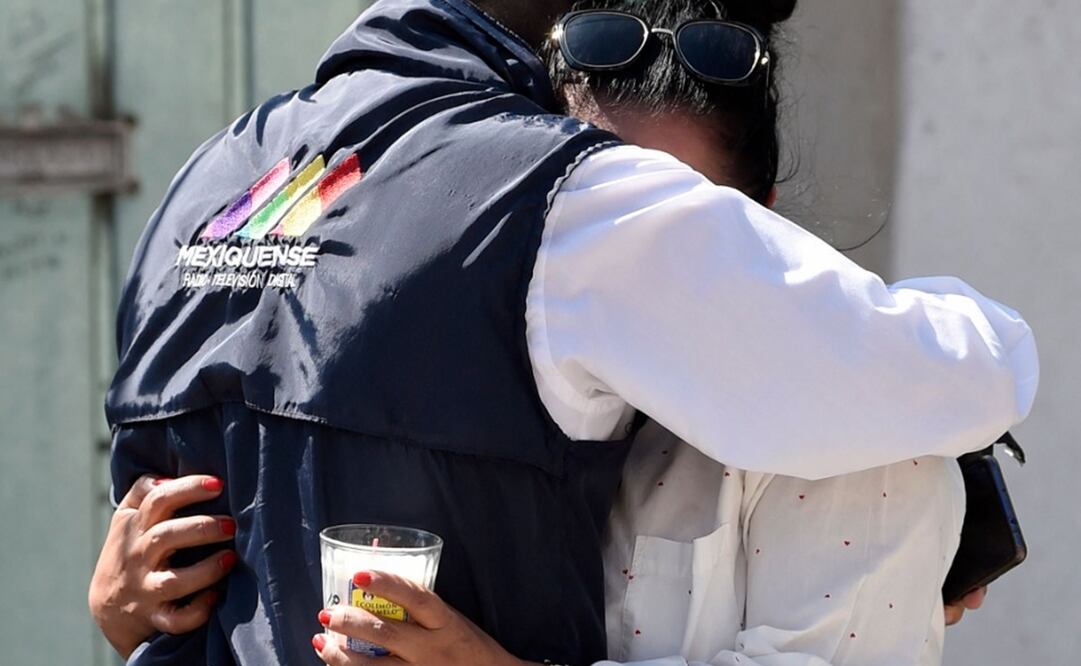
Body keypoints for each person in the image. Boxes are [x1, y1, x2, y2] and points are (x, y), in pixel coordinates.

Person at [90, 0, 1038, 664]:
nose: (634, 279)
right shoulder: (518, 365)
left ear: (762, 224)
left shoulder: (859, 444)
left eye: (685, 229)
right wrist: (145, 625)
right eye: (627, 217)